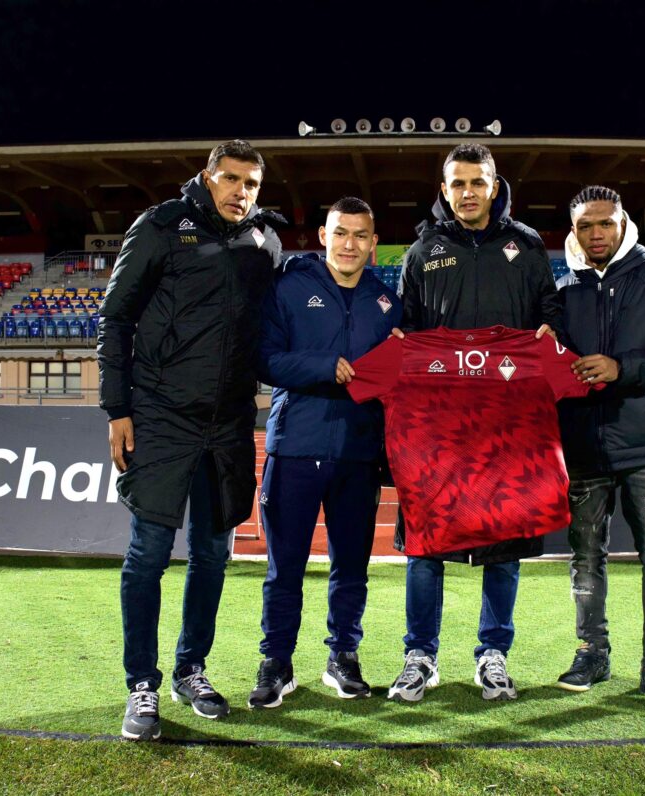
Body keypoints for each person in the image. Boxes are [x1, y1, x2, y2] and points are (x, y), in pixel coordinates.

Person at [98, 140, 284, 740]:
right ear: (207, 177)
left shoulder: (265, 242)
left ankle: (190, 670)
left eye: (251, 184)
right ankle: (141, 684)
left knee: (212, 554)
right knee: (149, 554)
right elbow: (115, 318)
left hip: (228, 423)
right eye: (230, 179)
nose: (240, 192)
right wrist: (117, 408)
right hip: (160, 416)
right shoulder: (160, 226)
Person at [388, 143, 559, 702]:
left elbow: (550, 314)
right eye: (457, 183)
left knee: (504, 548)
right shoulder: (423, 251)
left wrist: (551, 334)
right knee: (425, 546)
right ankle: (420, 655)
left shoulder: (526, 246)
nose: (467, 192)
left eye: (477, 182)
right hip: (438, 426)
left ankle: (493, 655)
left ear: (494, 185)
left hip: (508, 423)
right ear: (444, 190)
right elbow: (405, 329)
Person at [248, 197, 401, 708]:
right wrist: (322, 366)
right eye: (340, 233)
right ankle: (277, 662)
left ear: (373, 243)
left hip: (359, 452)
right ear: (323, 236)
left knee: (351, 567)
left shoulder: (388, 301)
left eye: (360, 235)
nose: (349, 244)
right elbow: (264, 359)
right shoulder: (291, 286)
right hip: (296, 446)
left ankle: (343, 657)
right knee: (285, 567)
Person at [552, 185, 645, 712]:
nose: (596, 234)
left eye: (605, 223)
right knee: (585, 558)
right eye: (585, 225)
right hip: (584, 445)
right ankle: (592, 653)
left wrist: (620, 368)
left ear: (623, 224)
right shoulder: (562, 289)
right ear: (573, 231)